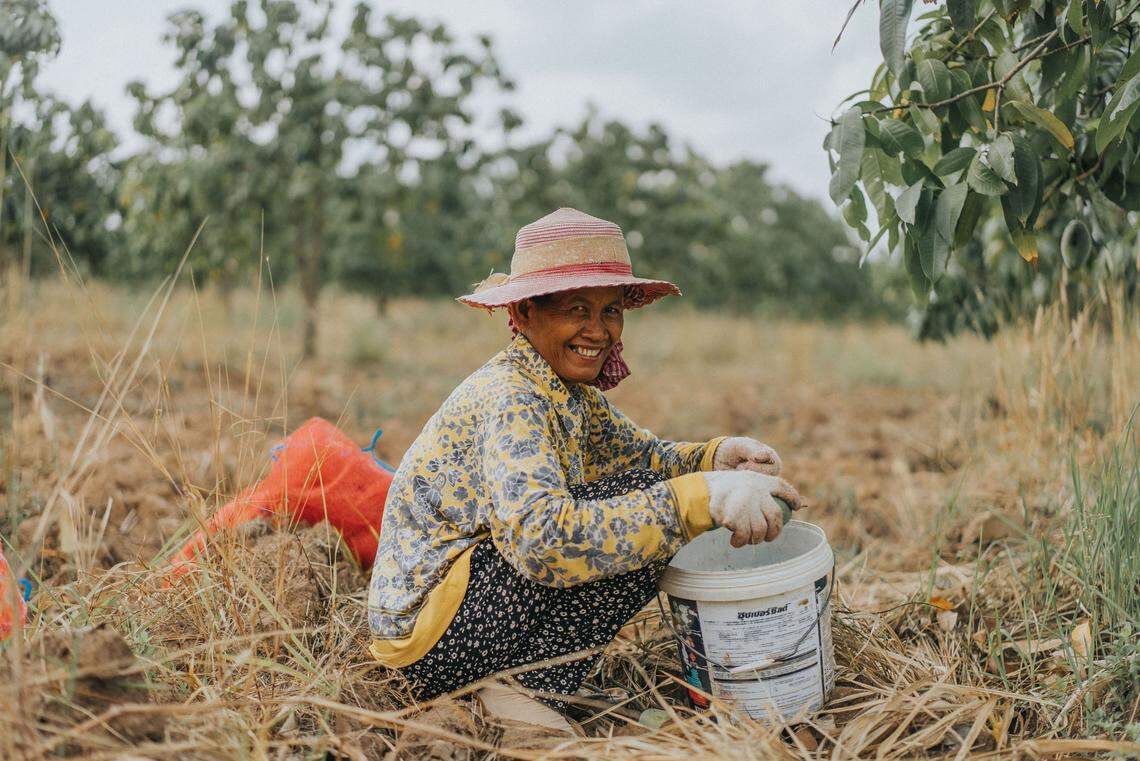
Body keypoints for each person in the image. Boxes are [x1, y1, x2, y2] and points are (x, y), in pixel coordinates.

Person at [367, 207, 804, 731]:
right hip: (430, 637)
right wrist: (703, 499)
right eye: (577, 309)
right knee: (650, 506)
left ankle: (520, 688)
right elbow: (542, 541)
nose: (598, 331)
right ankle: (513, 692)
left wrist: (720, 458)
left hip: (468, 614)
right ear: (526, 313)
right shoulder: (513, 397)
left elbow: (645, 457)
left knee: (650, 491)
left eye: (611, 311)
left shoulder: (562, 388)